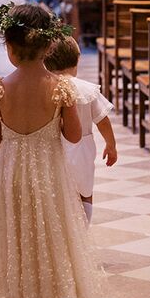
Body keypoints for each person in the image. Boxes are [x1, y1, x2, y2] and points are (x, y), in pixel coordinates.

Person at [0, 3, 103, 298]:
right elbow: (75, 135)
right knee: (44, 241)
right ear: (50, 46)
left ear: (11, 48)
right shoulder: (60, 89)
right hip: (48, 175)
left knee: (14, 235)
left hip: (11, 173)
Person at [45, 35, 117, 223]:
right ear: (77, 59)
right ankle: (82, 231)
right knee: (84, 191)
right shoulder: (87, 89)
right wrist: (111, 145)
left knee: (57, 193)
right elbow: (103, 120)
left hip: (52, 148)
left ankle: (60, 229)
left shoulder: (46, 89)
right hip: (82, 149)